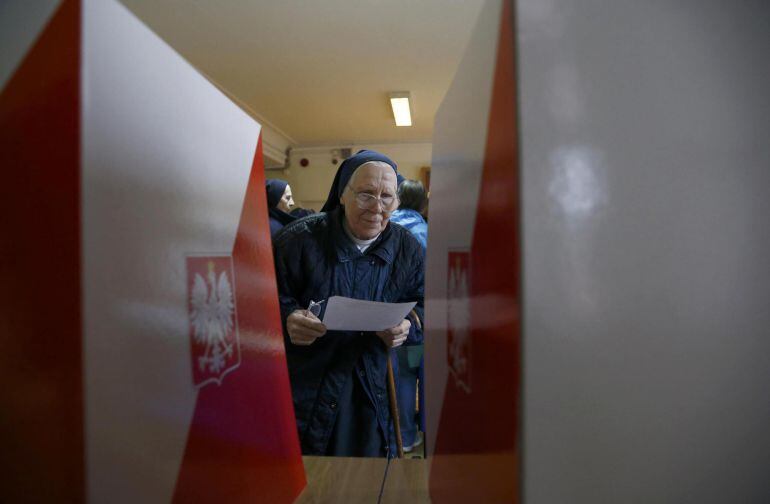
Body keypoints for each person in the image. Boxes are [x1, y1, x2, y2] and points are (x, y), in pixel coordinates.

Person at [272, 150, 425, 457]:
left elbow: (425, 304)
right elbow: (264, 301)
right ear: (342, 194)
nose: (377, 208)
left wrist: (408, 326)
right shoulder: (297, 241)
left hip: (375, 384)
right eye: (366, 194)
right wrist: (287, 318)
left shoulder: (407, 248)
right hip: (305, 382)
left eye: (387, 197)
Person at [389, 179, 428, 452]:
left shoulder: (385, 228)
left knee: (400, 375)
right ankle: (426, 433)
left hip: (389, 313)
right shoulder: (427, 232)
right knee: (420, 374)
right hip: (422, 317)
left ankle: (403, 435)